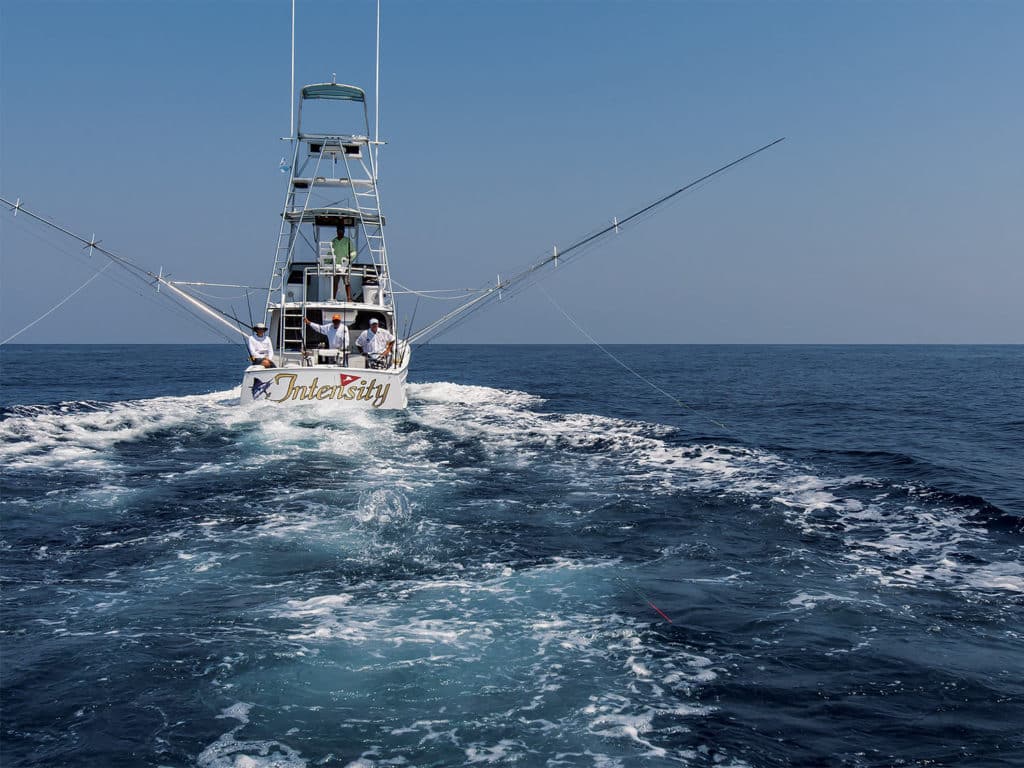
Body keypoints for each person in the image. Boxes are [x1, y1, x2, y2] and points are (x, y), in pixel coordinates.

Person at [331, 225, 357, 301]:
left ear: (344, 231)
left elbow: (353, 252)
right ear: (337, 231)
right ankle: (333, 298)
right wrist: (326, 263)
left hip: (345, 266)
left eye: (341, 230)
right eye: (339, 230)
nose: (340, 232)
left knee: (347, 282)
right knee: (335, 283)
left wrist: (349, 260)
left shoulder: (348, 240)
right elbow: (330, 253)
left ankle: (349, 298)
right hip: (335, 266)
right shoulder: (333, 241)